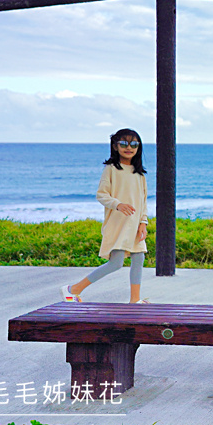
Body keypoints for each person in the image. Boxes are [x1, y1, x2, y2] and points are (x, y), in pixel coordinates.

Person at [63, 129, 150, 304]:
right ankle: (73, 289)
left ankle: (135, 300)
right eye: (124, 143)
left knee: (139, 257)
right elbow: (101, 195)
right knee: (116, 264)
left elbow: (143, 200)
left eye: (133, 144)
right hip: (118, 224)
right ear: (115, 146)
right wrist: (118, 204)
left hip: (134, 225)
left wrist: (143, 222)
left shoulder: (139, 174)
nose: (129, 147)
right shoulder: (111, 169)